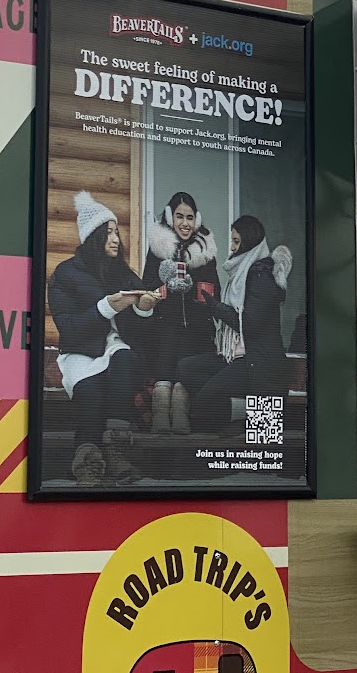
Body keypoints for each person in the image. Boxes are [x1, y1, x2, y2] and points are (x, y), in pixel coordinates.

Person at [48, 192, 162, 487]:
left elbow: (142, 336)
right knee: (92, 390)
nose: (115, 240)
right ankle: (87, 460)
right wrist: (107, 306)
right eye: (107, 233)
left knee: (124, 358)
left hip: (117, 351)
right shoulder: (65, 274)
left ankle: (114, 450)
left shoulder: (125, 274)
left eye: (116, 233)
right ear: (92, 237)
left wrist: (144, 310)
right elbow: (70, 329)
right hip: (81, 354)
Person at [177, 215, 291, 435]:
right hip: (236, 357)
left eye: (237, 242)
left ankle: (257, 419)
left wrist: (215, 307)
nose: (232, 247)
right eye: (232, 241)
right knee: (186, 368)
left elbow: (249, 324)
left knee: (200, 410)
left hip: (258, 364)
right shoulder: (242, 273)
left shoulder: (259, 275)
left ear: (249, 243)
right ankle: (247, 413)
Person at [141, 191, 219, 435]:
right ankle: (161, 415)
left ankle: (181, 414)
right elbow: (148, 287)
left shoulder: (205, 250)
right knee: (164, 367)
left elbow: (214, 290)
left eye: (189, 217)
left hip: (197, 326)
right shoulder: (158, 248)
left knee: (185, 369)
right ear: (169, 217)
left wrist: (195, 286)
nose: (185, 223)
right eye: (179, 217)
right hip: (164, 323)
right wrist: (167, 285)